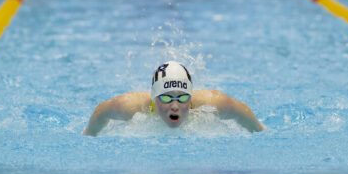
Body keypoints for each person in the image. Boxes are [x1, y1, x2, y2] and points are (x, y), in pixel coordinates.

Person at [84, 61, 264, 136]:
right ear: (154, 99)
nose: (175, 106)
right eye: (167, 98)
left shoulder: (214, 103)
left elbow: (242, 112)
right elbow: (101, 111)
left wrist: (260, 132)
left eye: (183, 97)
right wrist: (88, 136)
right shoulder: (131, 107)